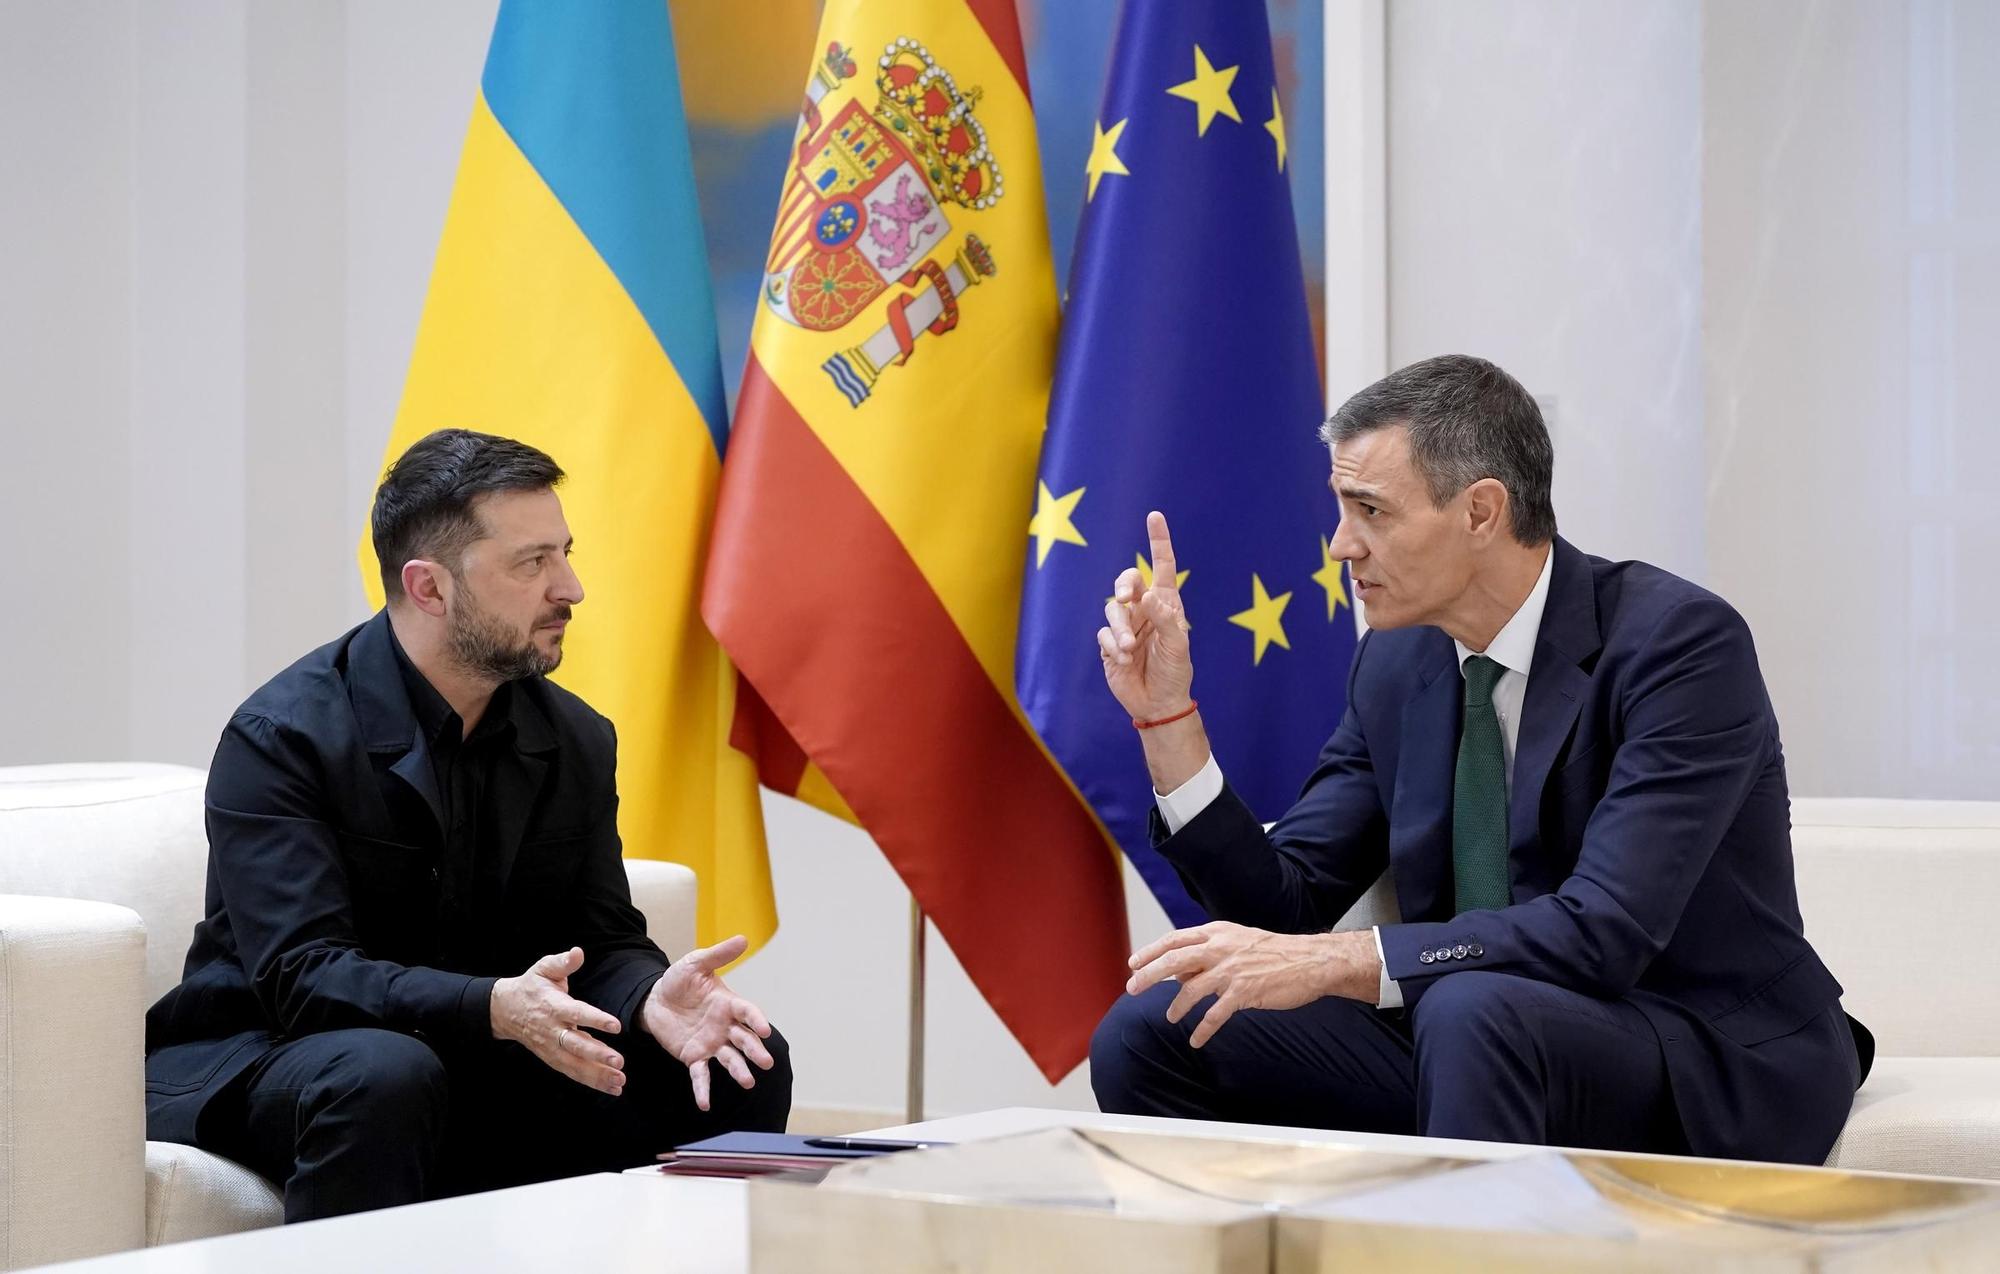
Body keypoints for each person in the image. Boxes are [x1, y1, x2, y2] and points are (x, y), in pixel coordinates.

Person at [1088, 355, 1870, 1163]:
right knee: (1155, 1029)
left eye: (1370, 510)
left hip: (1688, 1043)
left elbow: (1606, 929)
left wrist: (1350, 958)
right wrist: (1167, 719)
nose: (1341, 545)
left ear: (1481, 511)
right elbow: (1288, 906)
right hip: (1472, 1032)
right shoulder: (1396, 663)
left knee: (1470, 1010)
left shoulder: (1679, 646)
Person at [145, 428, 790, 1220]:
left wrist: (648, 996)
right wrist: (490, 1006)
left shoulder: (576, 739)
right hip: (276, 1050)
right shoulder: (282, 737)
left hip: (477, 1046)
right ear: (429, 588)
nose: (571, 588)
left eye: (564, 553)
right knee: (385, 1073)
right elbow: (302, 978)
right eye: (532, 563)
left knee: (739, 1061)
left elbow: (602, 936)